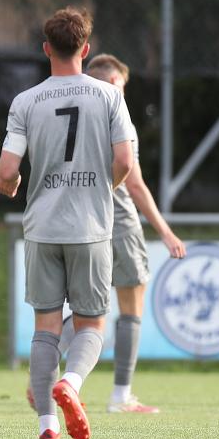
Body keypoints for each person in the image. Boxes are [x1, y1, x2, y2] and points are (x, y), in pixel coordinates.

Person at [0, 8, 134, 439]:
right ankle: (71, 383)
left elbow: (7, 171)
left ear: (45, 49)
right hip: (90, 226)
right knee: (92, 325)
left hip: (42, 227)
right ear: (86, 49)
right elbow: (125, 160)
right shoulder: (109, 96)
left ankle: (47, 427)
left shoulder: (26, 101)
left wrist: (9, 185)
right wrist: (102, 188)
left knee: (46, 328)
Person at [54, 54, 186, 413]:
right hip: (118, 221)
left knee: (86, 309)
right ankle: (121, 396)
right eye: (121, 86)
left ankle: (45, 373)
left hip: (76, 221)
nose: (122, 93)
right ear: (113, 84)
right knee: (130, 306)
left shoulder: (64, 116)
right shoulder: (118, 119)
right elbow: (135, 183)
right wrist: (166, 232)